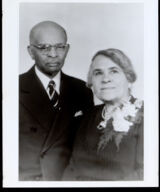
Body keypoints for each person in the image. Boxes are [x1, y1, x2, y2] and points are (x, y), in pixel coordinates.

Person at [19, 21, 93, 181]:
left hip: (68, 179)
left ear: (67, 50)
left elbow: (85, 146)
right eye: (44, 47)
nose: (53, 54)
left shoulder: (82, 90)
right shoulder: (12, 88)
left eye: (60, 47)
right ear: (31, 52)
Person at [62, 48, 144, 181]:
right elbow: (71, 170)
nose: (105, 79)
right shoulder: (83, 119)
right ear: (91, 83)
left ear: (129, 79)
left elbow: (146, 173)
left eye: (114, 71)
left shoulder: (148, 117)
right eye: (98, 73)